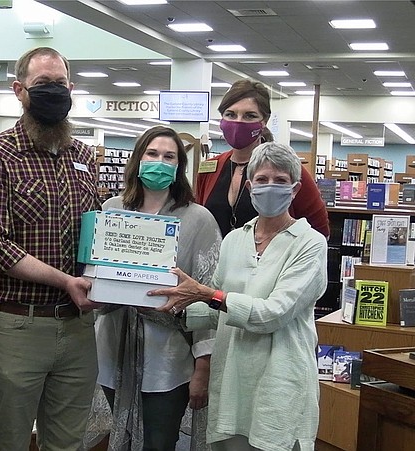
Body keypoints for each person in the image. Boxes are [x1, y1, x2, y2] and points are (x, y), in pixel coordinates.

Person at [152, 142, 328, 451]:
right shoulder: (235, 239)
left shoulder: (309, 244)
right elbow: (215, 310)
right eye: (261, 180)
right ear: (249, 186)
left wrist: (206, 294)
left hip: (279, 381)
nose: (269, 187)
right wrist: (173, 306)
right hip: (232, 379)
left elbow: (272, 314)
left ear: (296, 188)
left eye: (280, 180)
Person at [0, 46, 101, 450]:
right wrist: (67, 281)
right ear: (19, 90)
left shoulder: (83, 155)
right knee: (9, 439)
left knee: (67, 442)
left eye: (60, 84)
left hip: (78, 327)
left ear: (72, 88)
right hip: (16, 326)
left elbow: (96, 234)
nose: (53, 91)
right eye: (42, 84)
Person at [95, 126, 221, 451]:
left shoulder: (199, 220)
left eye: (170, 157)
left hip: (168, 357)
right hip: (112, 350)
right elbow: (96, 277)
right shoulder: (112, 210)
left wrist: (203, 367)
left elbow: (210, 300)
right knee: (114, 438)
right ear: (138, 159)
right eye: (152, 154)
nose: (160, 162)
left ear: (180, 167)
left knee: (160, 441)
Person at [196, 79, 329, 238]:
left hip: (274, 260)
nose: (238, 122)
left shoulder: (287, 168)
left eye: (249, 116)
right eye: (230, 114)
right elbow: (200, 219)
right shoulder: (210, 168)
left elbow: (320, 231)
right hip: (217, 261)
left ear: (264, 122)